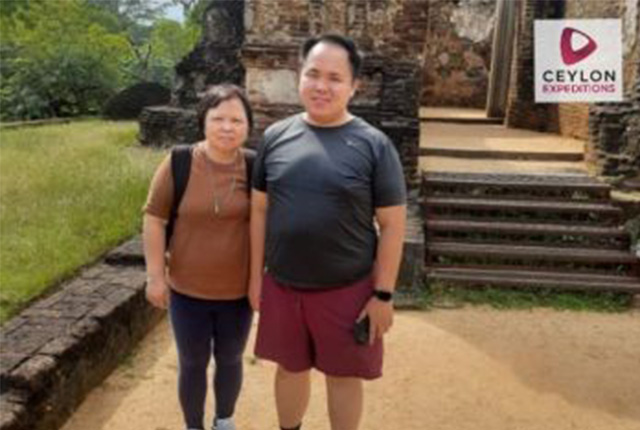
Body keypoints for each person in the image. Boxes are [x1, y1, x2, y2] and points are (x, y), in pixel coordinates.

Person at [249, 34, 407, 430]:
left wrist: (383, 294)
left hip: (347, 289)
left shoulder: (374, 145)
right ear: (299, 76)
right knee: (289, 368)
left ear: (354, 86)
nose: (322, 86)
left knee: (343, 376)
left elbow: (392, 225)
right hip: (283, 285)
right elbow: (260, 210)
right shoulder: (275, 137)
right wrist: (255, 279)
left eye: (335, 78)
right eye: (313, 74)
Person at [143, 84, 254, 430]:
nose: (227, 127)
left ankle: (224, 420)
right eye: (218, 118)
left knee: (230, 358)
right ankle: (193, 425)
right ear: (203, 121)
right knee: (192, 362)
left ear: (248, 125)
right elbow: (154, 218)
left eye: (236, 120)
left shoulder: (255, 166)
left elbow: (271, 222)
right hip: (187, 290)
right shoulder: (179, 162)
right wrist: (155, 276)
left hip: (237, 293)